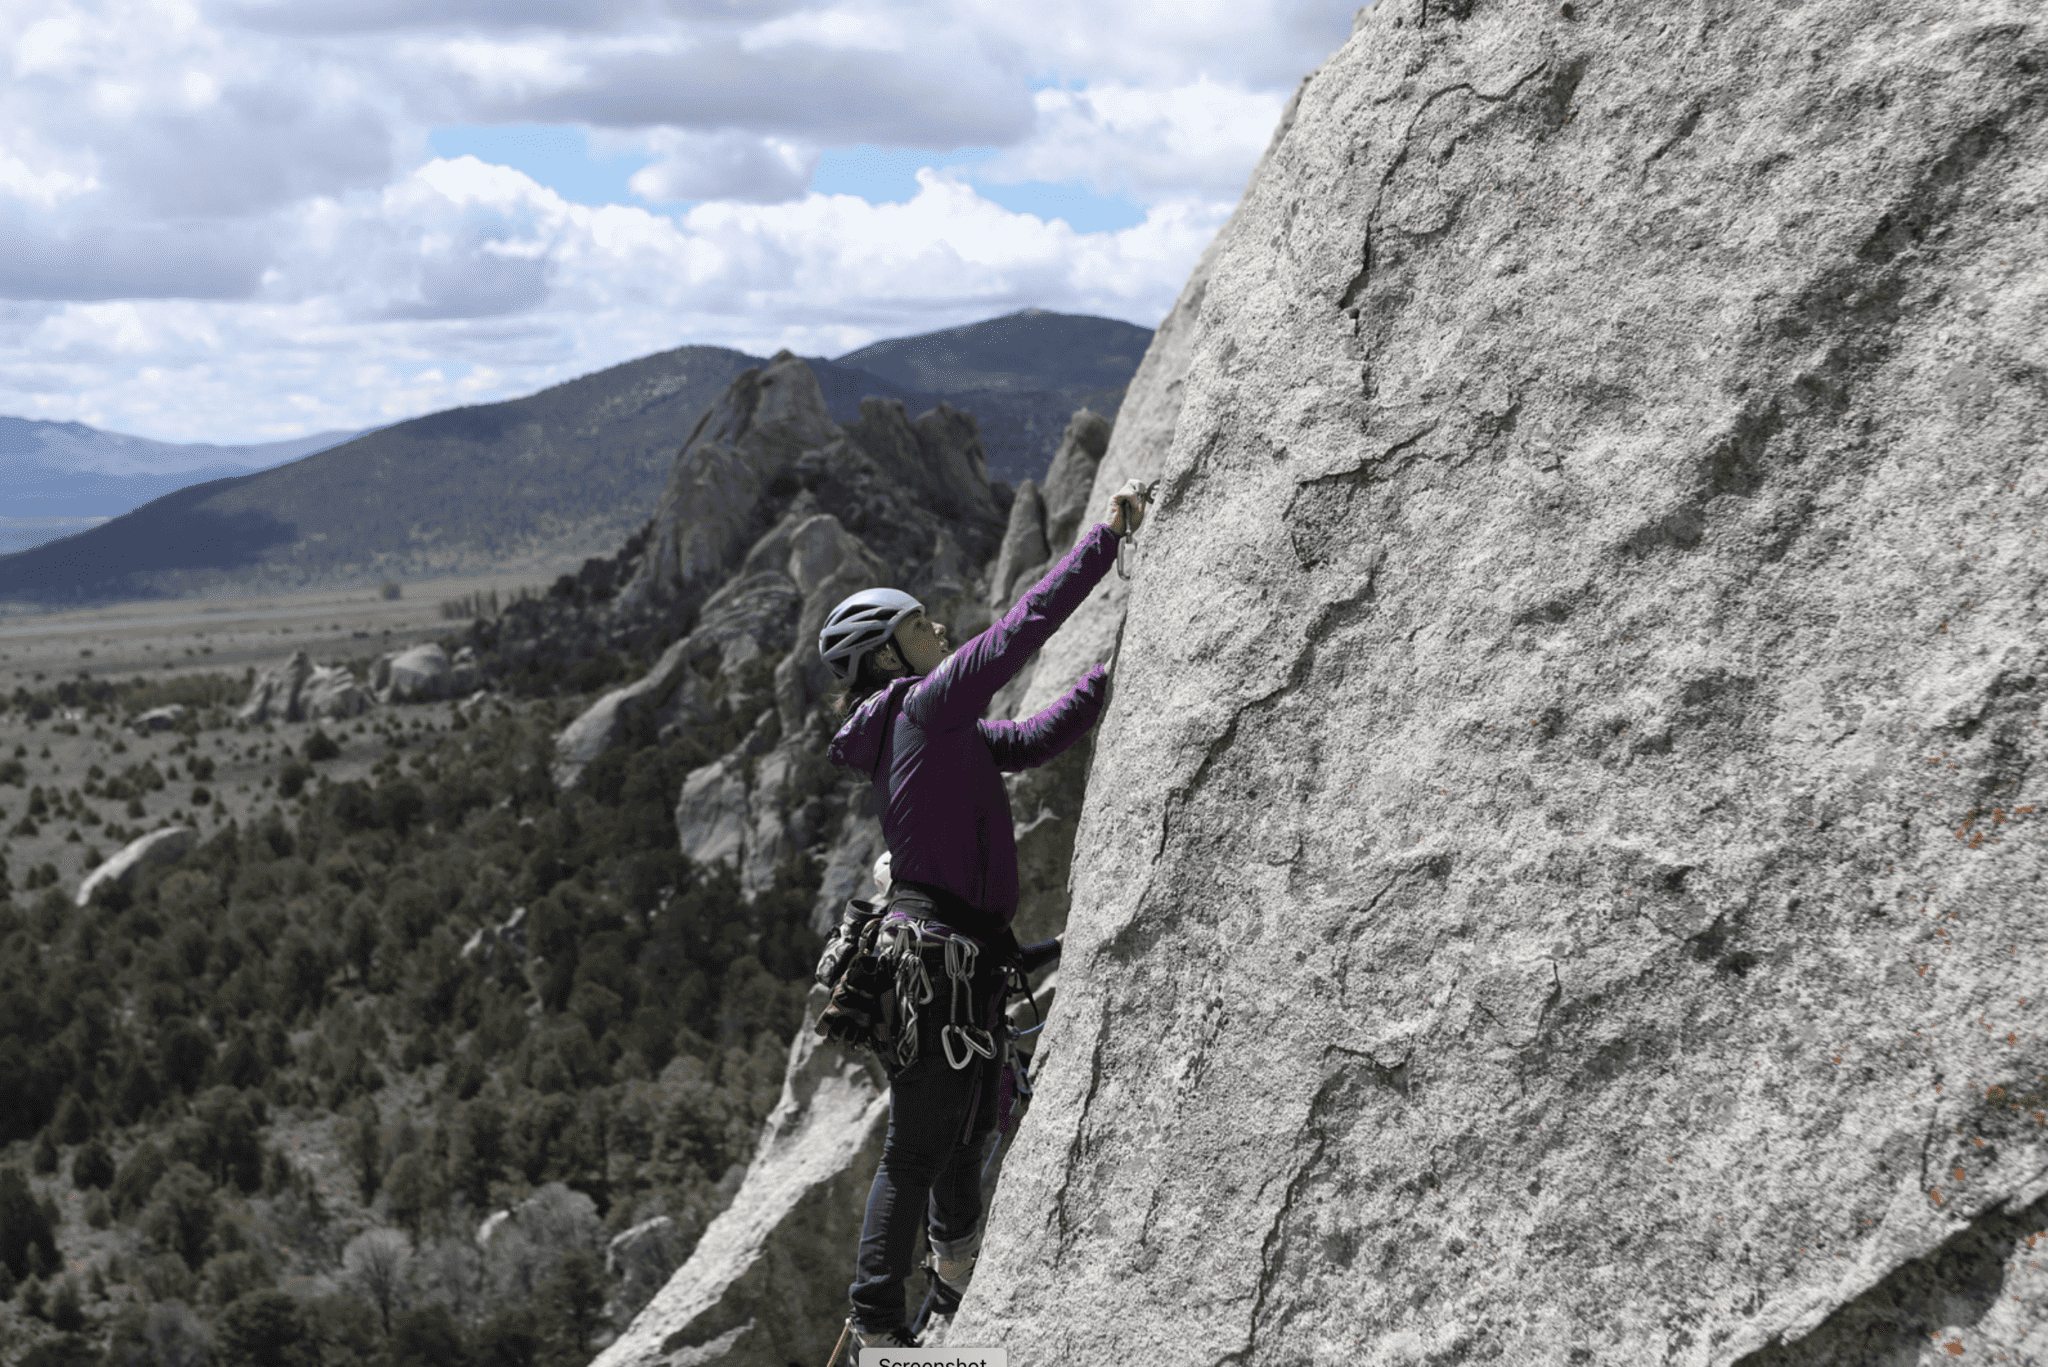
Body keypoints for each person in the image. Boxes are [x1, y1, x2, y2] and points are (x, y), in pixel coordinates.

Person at [816, 488, 1149, 1351]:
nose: (939, 632)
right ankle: (879, 1323)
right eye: (921, 626)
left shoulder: (939, 733)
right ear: (890, 653)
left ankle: (950, 1286)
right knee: (919, 1146)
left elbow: (1034, 739)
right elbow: (1016, 631)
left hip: (950, 966)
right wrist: (1103, 542)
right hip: (936, 962)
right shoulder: (926, 708)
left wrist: (1121, 674)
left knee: (964, 1130)